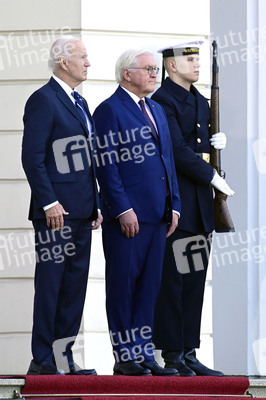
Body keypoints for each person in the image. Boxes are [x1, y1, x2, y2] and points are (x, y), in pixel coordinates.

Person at [93, 49, 181, 376]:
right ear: (127, 73)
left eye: (156, 69)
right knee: (123, 286)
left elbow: (166, 161)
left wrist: (175, 205)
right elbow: (106, 164)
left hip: (159, 215)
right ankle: (124, 355)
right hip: (127, 217)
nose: (155, 74)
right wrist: (122, 207)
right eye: (148, 69)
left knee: (149, 288)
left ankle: (144, 353)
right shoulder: (109, 110)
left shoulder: (156, 109)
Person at [151, 40, 234, 376]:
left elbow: (199, 147)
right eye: (190, 59)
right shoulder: (163, 100)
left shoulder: (200, 100)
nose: (196, 64)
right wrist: (212, 175)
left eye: (199, 59)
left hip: (201, 204)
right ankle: (172, 353)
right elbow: (177, 150)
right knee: (174, 282)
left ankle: (188, 351)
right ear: (171, 65)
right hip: (179, 202)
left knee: (195, 280)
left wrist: (216, 150)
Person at [22, 36, 102, 375]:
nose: (88, 63)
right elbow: (33, 157)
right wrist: (49, 202)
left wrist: (97, 202)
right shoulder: (43, 99)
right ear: (62, 61)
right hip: (55, 213)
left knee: (74, 288)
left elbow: (89, 161)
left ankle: (63, 357)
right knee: (52, 285)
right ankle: (42, 359)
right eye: (82, 57)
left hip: (83, 211)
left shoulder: (80, 102)